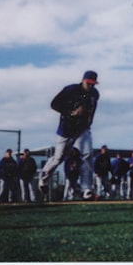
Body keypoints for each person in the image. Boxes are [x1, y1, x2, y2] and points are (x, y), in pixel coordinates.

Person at [38, 70, 100, 200]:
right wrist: (71, 112)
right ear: (83, 80)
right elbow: (54, 104)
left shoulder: (94, 94)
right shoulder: (71, 90)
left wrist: (89, 120)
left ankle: (87, 189)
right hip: (66, 129)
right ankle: (43, 177)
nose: (90, 86)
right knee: (58, 158)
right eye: (88, 83)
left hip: (82, 129)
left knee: (88, 154)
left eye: (93, 84)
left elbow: (92, 108)